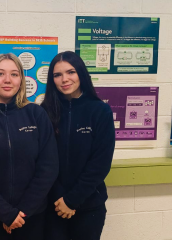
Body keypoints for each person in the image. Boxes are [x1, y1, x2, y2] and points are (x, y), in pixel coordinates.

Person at [0, 53, 59, 240]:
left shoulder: (36, 115)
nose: (7, 80)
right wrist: (5, 213)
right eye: (0, 74)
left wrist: (22, 212)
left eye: (14, 74)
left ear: (21, 79)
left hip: (31, 216)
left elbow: (49, 166)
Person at [41, 51, 115, 240]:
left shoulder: (100, 111)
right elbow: (42, 160)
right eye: (57, 75)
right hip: (53, 205)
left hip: (89, 206)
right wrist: (60, 199)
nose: (64, 79)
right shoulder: (44, 111)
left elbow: (100, 163)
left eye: (70, 72)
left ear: (81, 73)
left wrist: (72, 200)